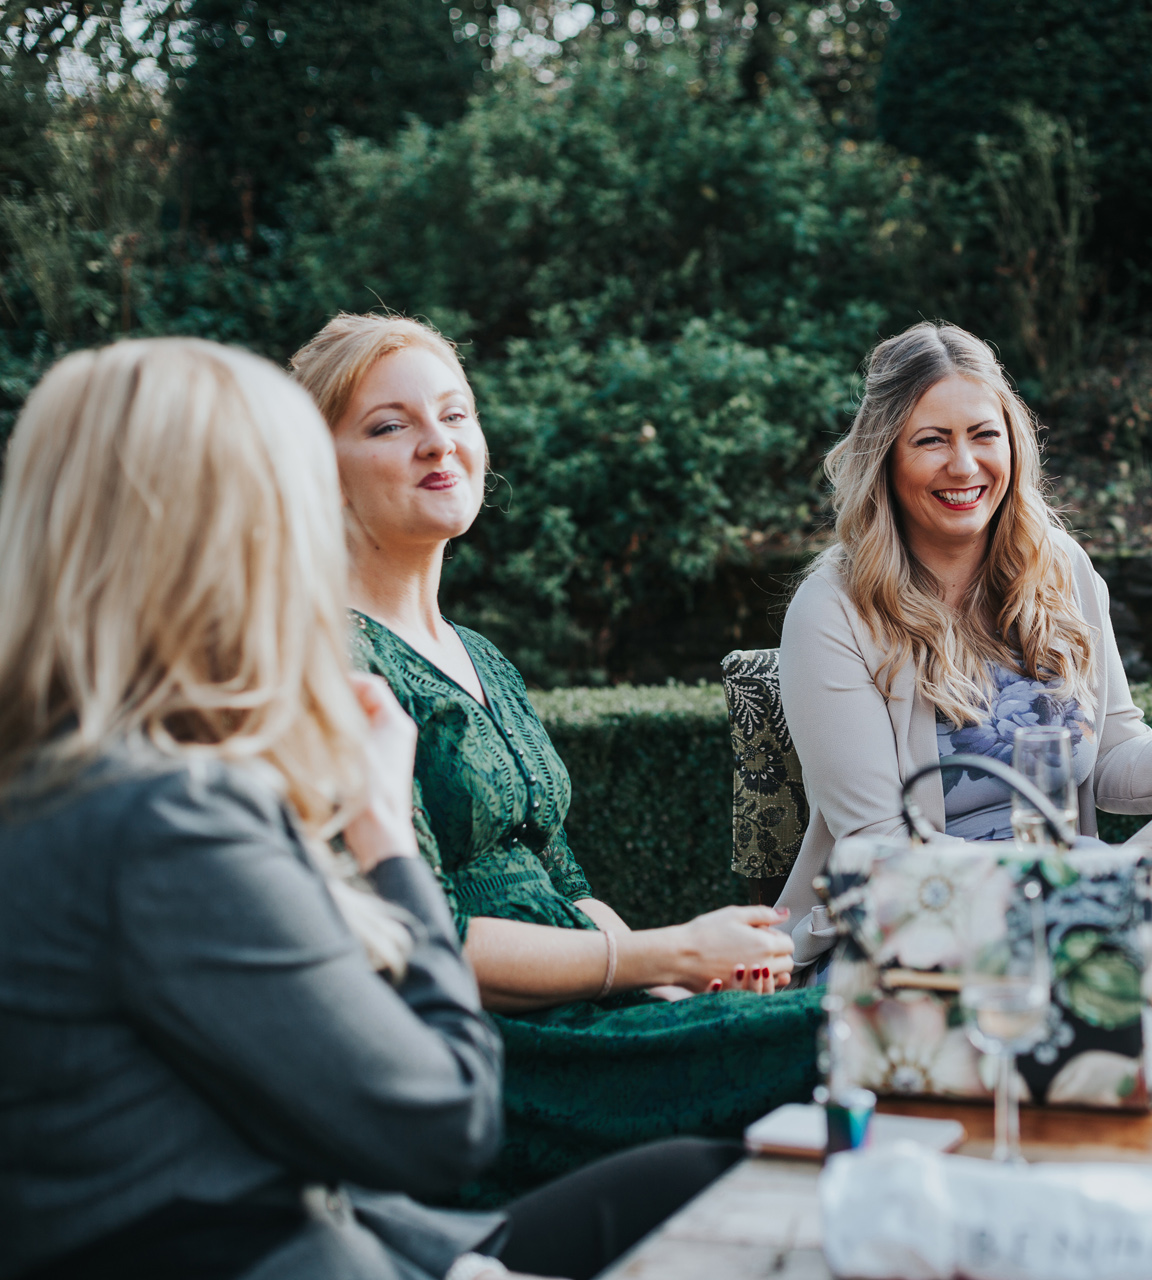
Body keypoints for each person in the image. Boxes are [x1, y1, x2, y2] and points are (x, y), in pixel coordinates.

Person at [0, 338, 743, 1280]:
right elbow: (441, 1120)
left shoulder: (73, 776)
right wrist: (388, 830)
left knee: (689, 1177)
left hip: (354, 1232)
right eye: (296, 492)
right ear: (223, 531)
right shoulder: (164, 820)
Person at [287, 314, 823, 1204]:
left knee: (845, 1022)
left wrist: (689, 992)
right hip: (489, 1057)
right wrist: (667, 953)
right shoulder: (338, 659)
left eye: (454, 415)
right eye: (390, 425)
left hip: (589, 1016)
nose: (436, 444)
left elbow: (567, 888)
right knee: (862, 1035)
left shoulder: (482, 654)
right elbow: (423, 937)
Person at [775, 321, 1152, 967]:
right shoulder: (832, 611)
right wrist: (1081, 879)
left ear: (1013, 445)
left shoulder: (1061, 569)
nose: (963, 465)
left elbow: (1108, 760)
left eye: (983, 435)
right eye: (931, 441)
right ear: (886, 458)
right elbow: (881, 847)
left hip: (1060, 916)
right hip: (905, 939)